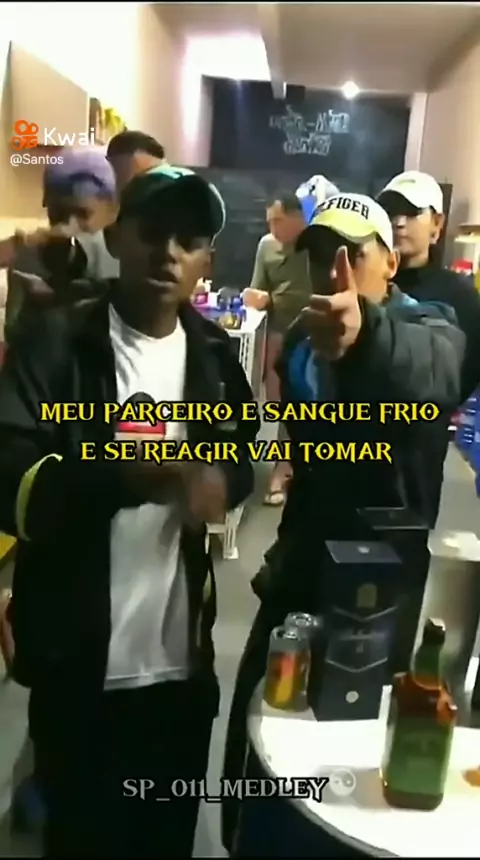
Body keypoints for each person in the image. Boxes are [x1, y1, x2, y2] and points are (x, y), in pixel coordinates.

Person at [0, 165, 259, 858]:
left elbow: (239, 456)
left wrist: (223, 481)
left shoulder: (214, 359)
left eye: (189, 240)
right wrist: (132, 476)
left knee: (165, 839)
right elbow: (9, 475)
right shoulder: (57, 341)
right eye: (153, 232)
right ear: (117, 238)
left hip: (180, 671)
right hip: (78, 669)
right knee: (80, 840)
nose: (168, 252)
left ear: (206, 261)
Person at [221, 192, 465, 854]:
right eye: (321, 255)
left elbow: (432, 369)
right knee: (263, 728)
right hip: (302, 568)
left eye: (352, 254)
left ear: (389, 264)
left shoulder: (429, 327)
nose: (334, 270)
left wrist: (367, 337)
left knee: (353, 755)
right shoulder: (302, 345)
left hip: (383, 589)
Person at [378, 170, 480, 522]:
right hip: (357, 436)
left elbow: (468, 370)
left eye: (412, 213)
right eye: (392, 213)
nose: (399, 222)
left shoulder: (459, 296)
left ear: (437, 223)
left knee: (406, 536)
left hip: (419, 447)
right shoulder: (366, 281)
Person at [2, 148, 119, 344]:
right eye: (59, 214)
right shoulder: (29, 259)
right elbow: (15, 337)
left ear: (112, 212)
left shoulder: (127, 258)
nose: (68, 227)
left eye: (83, 214)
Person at [242, 194, 310, 506]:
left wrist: (271, 300)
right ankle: (283, 465)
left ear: (298, 218)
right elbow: (258, 287)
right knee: (279, 404)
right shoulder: (266, 246)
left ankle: (290, 468)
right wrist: (254, 298)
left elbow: (310, 294)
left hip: (312, 332)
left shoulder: (314, 247)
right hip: (278, 332)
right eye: (269, 221)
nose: (273, 228)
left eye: (278, 221)